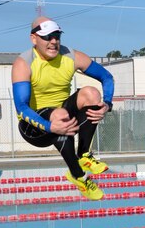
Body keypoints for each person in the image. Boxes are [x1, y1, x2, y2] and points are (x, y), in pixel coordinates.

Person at [11, 17, 114, 200]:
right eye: (47, 37)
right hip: (33, 128)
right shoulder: (23, 63)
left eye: (57, 36)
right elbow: (21, 108)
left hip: (61, 116)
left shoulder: (72, 57)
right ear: (34, 39)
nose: (53, 41)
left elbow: (107, 77)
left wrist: (107, 104)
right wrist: (49, 126)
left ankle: (83, 155)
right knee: (60, 114)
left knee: (91, 94)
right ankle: (78, 175)